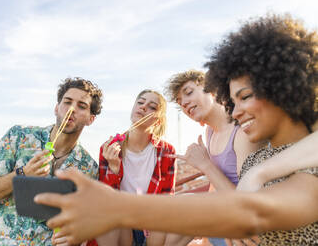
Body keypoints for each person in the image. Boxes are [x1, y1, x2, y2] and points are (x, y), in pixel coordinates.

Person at [35, 14, 318, 246]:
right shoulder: (263, 158)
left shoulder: (306, 169)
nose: (236, 110)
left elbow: (251, 213)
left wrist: (115, 208)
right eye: (232, 100)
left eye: (244, 97)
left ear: (280, 88)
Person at [0, 77, 103, 245]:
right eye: (67, 102)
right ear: (57, 108)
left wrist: (74, 238)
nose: (71, 109)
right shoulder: (19, 136)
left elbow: (80, 224)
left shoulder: (89, 168)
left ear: (90, 119)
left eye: (82, 106)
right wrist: (23, 174)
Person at [164, 70, 261, 245]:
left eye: (189, 92)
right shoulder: (210, 132)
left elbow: (247, 206)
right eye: (180, 102)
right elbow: (214, 190)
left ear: (212, 90)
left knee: (188, 205)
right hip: (224, 220)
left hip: (247, 230)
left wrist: (205, 165)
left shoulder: (240, 132)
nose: (184, 103)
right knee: (170, 212)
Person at [95, 89, 176, 246]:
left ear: (158, 121)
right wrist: (114, 168)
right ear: (133, 108)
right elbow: (106, 199)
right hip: (122, 224)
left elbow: (167, 197)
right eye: (140, 102)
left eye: (152, 107)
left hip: (154, 224)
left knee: (183, 210)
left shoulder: (166, 151)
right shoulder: (109, 148)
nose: (143, 107)